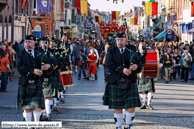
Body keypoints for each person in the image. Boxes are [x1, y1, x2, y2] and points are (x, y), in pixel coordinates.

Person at [102, 32, 146, 129]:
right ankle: (118, 126)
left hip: (130, 80)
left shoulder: (132, 49)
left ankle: (127, 125)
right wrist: (122, 69)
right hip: (115, 80)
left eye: (121, 40)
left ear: (126, 41)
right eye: (118, 40)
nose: (119, 42)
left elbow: (142, 60)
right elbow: (108, 63)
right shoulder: (111, 50)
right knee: (118, 106)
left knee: (131, 105)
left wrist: (137, 65)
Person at [16, 35, 51, 129]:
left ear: (34, 43)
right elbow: (19, 67)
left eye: (29, 42)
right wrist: (33, 71)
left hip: (37, 82)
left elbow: (49, 61)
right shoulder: (19, 53)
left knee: (37, 105)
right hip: (25, 82)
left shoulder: (38, 53)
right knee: (26, 106)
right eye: (25, 42)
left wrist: (48, 66)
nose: (27, 43)